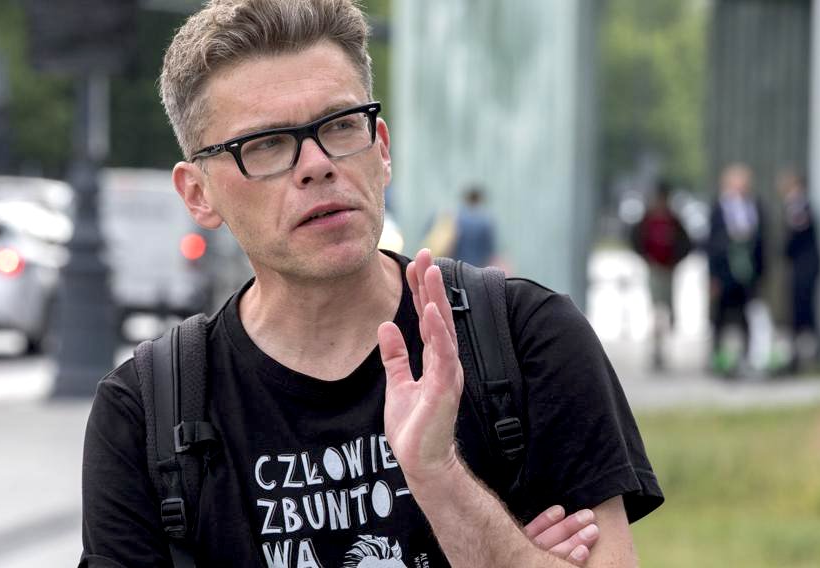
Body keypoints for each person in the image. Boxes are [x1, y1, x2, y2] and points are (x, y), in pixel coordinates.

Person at [80, 1, 663, 566]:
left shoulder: (526, 338)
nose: (317, 164)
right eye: (266, 144)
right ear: (198, 194)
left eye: (338, 126)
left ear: (381, 149)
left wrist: (441, 478)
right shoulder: (145, 414)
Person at [706, 163, 766, 376]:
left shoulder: (755, 207)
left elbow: (762, 243)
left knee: (746, 316)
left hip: (747, 273)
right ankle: (718, 358)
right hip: (724, 272)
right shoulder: (719, 209)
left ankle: (745, 357)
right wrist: (713, 275)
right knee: (720, 317)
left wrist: (760, 272)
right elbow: (711, 244)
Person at [630, 179, 692, 370]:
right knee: (657, 310)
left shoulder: (673, 221)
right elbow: (636, 239)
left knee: (667, 309)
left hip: (669, 270)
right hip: (655, 269)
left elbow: (686, 243)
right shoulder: (647, 220)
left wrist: (675, 261)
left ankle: (663, 345)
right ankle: (657, 348)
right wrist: (647, 258)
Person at [777, 170, 820, 372]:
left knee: (803, 311)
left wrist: (783, 252)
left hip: (804, 268)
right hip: (804, 267)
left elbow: (795, 238)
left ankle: (804, 357)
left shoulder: (797, 206)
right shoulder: (799, 205)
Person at [451, 185, 497, 267]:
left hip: (458, 265)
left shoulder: (456, 218)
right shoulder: (485, 221)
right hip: (478, 266)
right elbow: (489, 249)